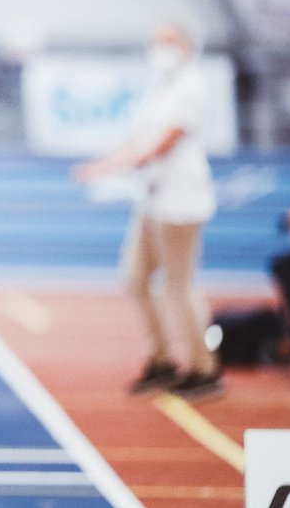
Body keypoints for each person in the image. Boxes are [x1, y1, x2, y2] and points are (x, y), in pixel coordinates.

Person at [73, 23, 222, 401]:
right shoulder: (162, 87)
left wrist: (107, 168)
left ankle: (204, 367)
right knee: (136, 277)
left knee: (178, 285)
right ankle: (161, 360)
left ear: (187, 45)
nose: (160, 49)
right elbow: (139, 139)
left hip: (180, 203)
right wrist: (108, 161)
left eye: (168, 42)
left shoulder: (191, 87)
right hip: (154, 199)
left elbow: (160, 146)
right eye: (157, 42)